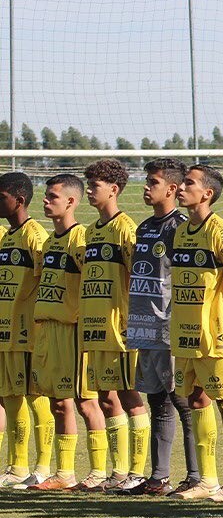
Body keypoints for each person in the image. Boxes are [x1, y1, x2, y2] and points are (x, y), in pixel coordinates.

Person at [118, 158, 201, 496]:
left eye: (152, 182)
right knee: (156, 400)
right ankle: (159, 477)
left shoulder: (178, 226)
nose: (145, 188)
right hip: (144, 326)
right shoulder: (144, 227)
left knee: (179, 399)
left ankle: (196, 476)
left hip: (168, 327)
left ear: (171, 188)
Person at [169, 164, 223, 501]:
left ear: (207, 194)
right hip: (184, 335)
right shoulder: (181, 231)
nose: (181, 188)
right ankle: (208, 480)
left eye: (189, 183)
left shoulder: (220, 232)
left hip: (214, 336)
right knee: (195, 400)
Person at [28, 175, 103, 491]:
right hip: (48, 330)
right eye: (45, 196)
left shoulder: (79, 239)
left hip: (72, 330)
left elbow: (92, 286)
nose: (46, 201)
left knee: (86, 401)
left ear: (71, 201)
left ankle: (100, 473)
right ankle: (65, 473)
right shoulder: (48, 241)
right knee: (59, 402)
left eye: (52, 196)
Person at [78, 158, 138, 492]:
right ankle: (116, 472)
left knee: (129, 397)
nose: (89, 190)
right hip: (94, 328)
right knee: (105, 398)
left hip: (121, 328)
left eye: (95, 185)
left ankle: (135, 471)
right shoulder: (90, 231)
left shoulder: (126, 228)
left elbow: (136, 277)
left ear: (113, 189)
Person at [0, 172, 52, 488]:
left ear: (18, 200)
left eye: (1, 197)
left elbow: (49, 280)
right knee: (10, 398)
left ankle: (43, 467)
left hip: (29, 333)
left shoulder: (35, 236)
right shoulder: (6, 237)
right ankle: (17, 466)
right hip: (5, 332)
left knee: (36, 398)